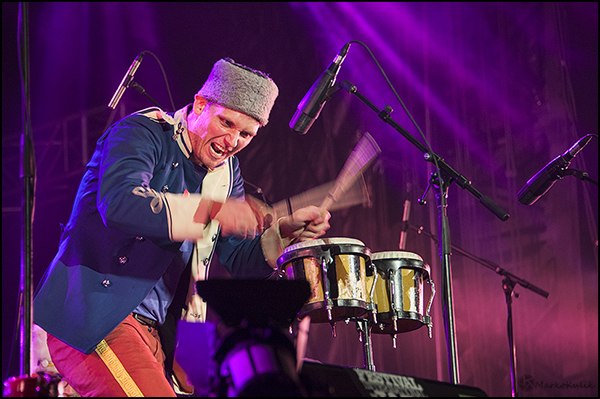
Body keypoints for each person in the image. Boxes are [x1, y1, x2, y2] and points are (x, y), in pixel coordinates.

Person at [32, 58, 331, 397]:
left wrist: (284, 231)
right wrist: (213, 211)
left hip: (159, 332)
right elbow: (120, 203)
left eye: (246, 133)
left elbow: (238, 259)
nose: (233, 140)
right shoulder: (142, 134)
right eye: (226, 123)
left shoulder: (227, 174)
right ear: (200, 105)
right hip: (98, 315)